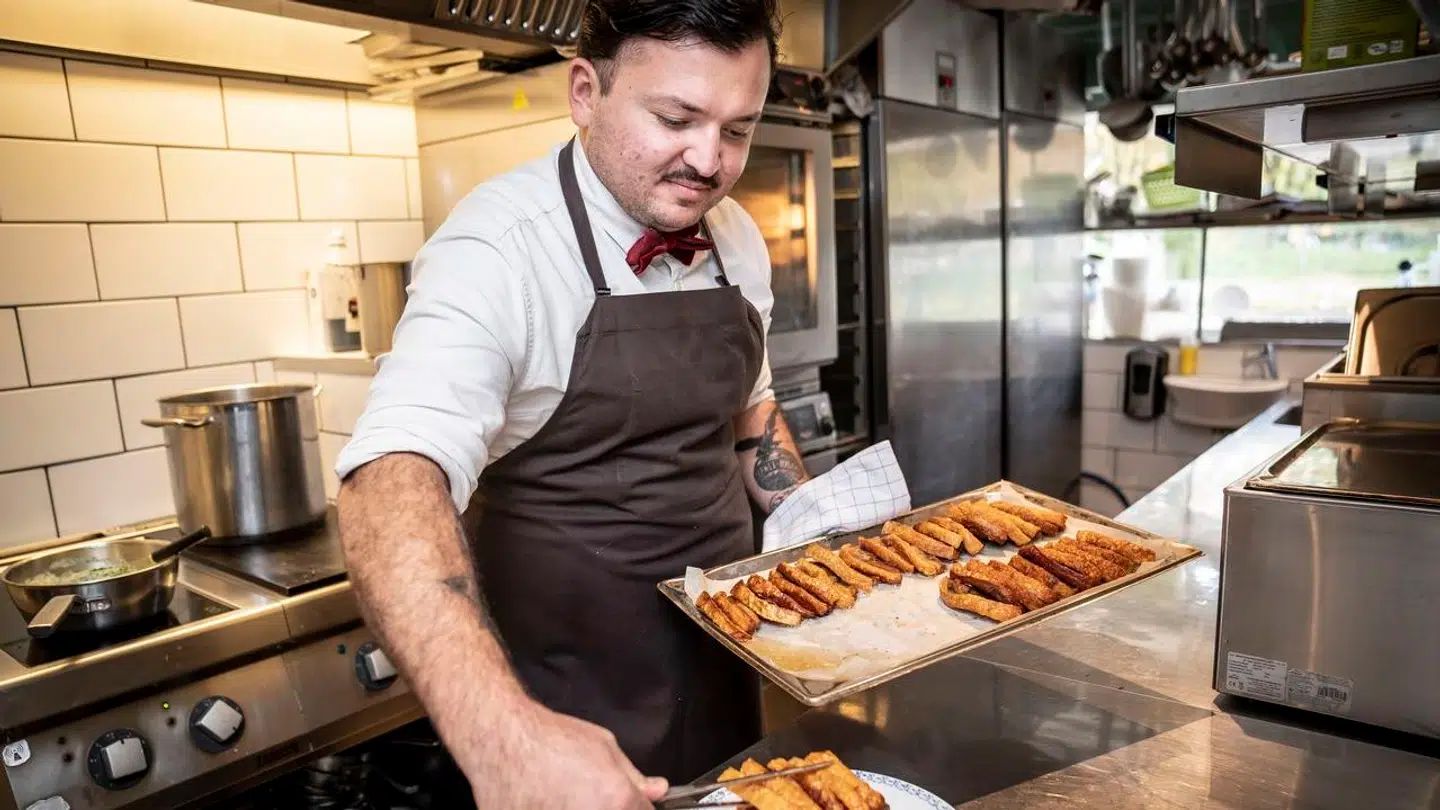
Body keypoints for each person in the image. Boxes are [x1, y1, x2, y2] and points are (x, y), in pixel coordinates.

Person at [333, 2, 811, 808]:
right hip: (563, 720)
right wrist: (504, 738)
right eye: (676, 118)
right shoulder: (498, 248)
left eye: (738, 129)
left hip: (730, 674)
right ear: (585, 91)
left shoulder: (733, 236)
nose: (710, 159)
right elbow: (387, 481)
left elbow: (749, 414)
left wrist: (813, 535)